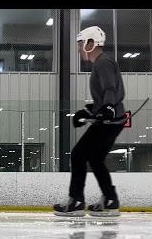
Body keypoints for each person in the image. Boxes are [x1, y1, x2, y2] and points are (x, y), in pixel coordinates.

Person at [54, 25, 126, 217]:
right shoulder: (102, 62)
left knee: (78, 154)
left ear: (91, 43)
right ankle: (110, 200)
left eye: (81, 44)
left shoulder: (103, 62)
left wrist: (108, 108)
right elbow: (105, 95)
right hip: (113, 120)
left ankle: (76, 201)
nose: (79, 48)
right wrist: (87, 112)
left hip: (110, 121)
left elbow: (111, 89)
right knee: (95, 159)